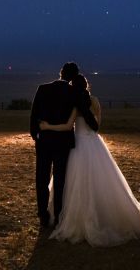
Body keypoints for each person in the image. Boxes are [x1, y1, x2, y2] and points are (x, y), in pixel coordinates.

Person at [39, 74, 140, 247]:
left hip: (78, 147)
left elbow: (68, 127)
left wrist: (47, 126)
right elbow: (97, 125)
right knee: (102, 181)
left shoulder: (75, 105)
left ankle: (75, 219)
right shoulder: (96, 101)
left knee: (73, 182)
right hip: (95, 144)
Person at [29, 62, 99, 228]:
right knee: (60, 179)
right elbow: (86, 111)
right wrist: (94, 125)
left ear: (60, 73)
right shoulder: (74, 92)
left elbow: (34, 115)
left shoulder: (42, 88)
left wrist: (36, 136)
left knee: (42, 178)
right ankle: (59, 215)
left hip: (44, 141)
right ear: (74, 76)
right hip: (63, 143)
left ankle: (43, 215)